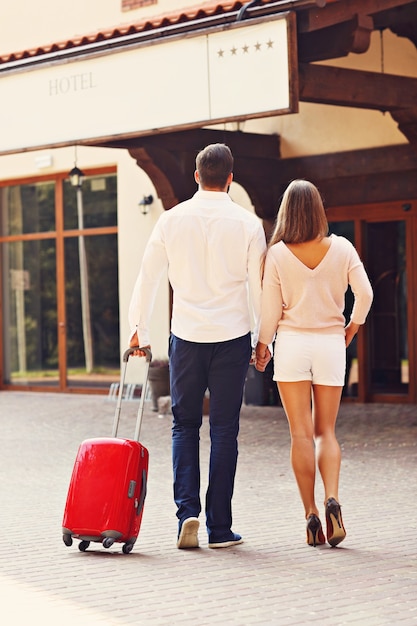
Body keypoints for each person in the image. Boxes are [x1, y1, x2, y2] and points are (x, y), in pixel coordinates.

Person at [128, 143, 266, 549]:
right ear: (231, 177)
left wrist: (142, 332)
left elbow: (147, 277)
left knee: (184, 426)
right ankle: (219, 528)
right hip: (232, 338)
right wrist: (263, 339)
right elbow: (258, 289)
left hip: (186, 337)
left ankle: (186, 514)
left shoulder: (171, 220)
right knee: (225, 430)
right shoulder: (248, 223)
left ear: (195, 176)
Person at [255, 179, 373, 547]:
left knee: (300, 435)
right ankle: (332, 498)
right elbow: (366, 293)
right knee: (326, 432)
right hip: (330, 346)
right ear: (319, 209)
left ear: (285, 212)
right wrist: (351, 327)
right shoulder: (342, 248)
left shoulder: (276, 255)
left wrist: (262, 344)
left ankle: (310, 515)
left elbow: (270, 310)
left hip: (291, 345)